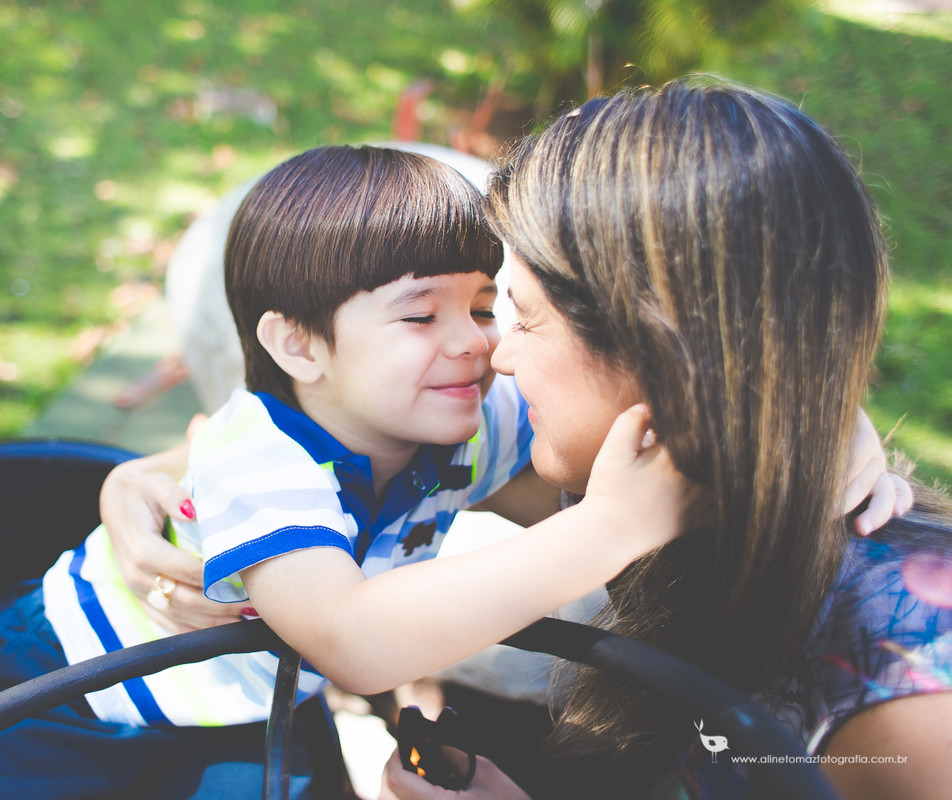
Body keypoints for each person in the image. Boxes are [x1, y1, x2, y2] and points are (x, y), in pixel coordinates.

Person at [0, 144, 702, 800]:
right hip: (78, 694)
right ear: (299, 347)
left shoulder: (461, 415)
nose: (475, 342)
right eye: (422, 315)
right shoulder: (265, 462)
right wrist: (606, 527)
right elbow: (350, 639)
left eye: (484, 306)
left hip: (247, 702)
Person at [373, 78, 952, 799]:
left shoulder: (910, 682)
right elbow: (344, 460)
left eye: (522, 316)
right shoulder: (652, 499)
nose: (500, 355)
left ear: (657, 352)